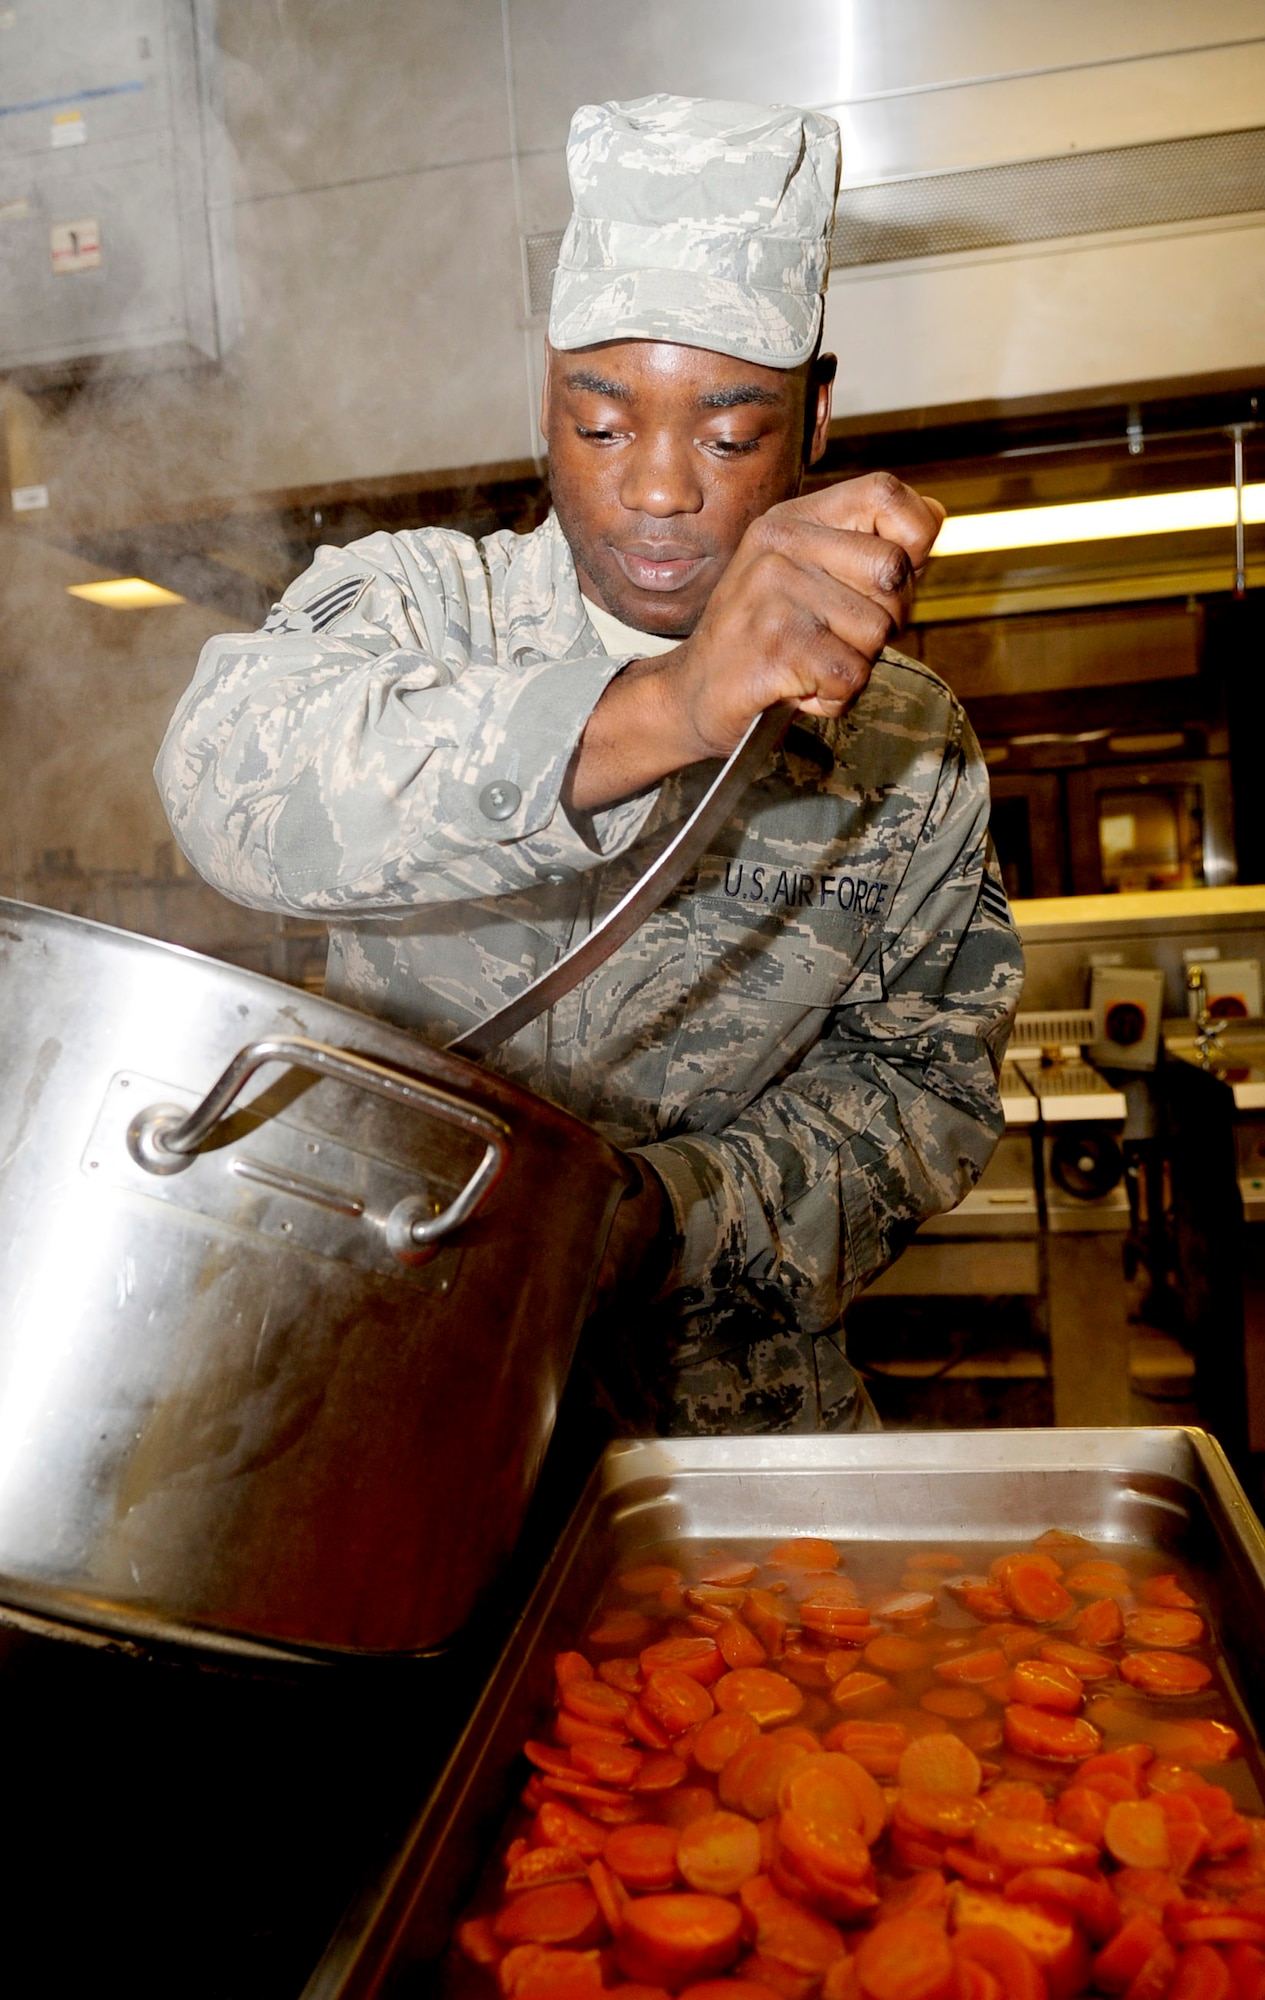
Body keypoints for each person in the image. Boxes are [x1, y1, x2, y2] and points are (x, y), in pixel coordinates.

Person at [157, 94, 1024, 1437]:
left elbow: (922, 1097)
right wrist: (667, 706)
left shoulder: (902, 744)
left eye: (729, 434)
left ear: (814, 418)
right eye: (602, 424)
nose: (659, 489)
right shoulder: (417, 607)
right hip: (399, 1401)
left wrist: (656, 1221)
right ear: (544, 405)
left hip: (724, 1418)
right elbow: (227, 788)